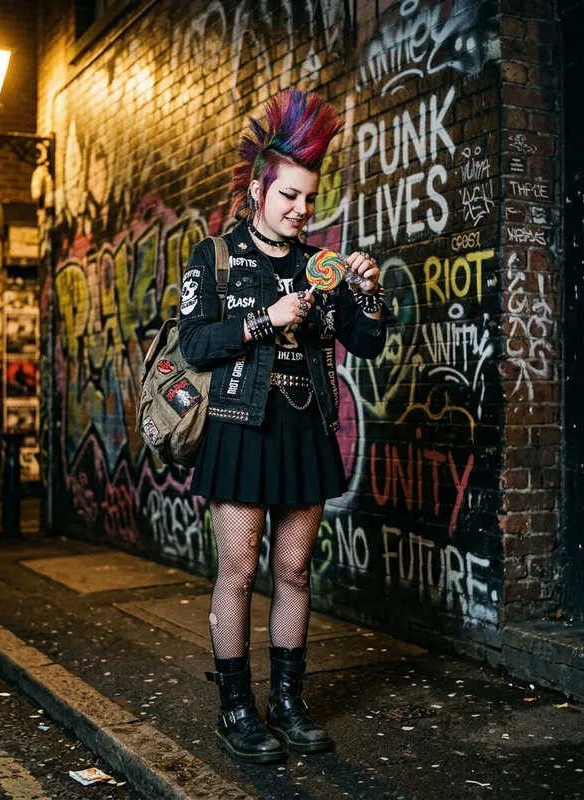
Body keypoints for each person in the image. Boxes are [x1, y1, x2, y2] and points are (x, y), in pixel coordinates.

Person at [177, 88, 394, 764]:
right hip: (240, 430)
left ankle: (290, 702)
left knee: (294, 570)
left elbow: (364, 342)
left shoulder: (318, 265)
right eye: (288, 197)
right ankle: (237, 709)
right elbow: (195, 345)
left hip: (304, 427)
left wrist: (365, 290)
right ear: (257, 193)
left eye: (308, 198)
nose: (301, 211)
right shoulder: (214, 256)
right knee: (239, 570)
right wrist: (263, 321)